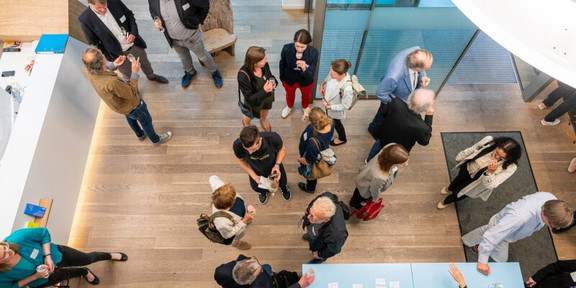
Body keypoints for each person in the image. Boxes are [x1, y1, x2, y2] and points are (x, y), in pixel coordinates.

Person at [461, 192, 573, 275]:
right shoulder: (519, 218)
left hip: (505, 224)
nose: (554, 228)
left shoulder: (551, 199)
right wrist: (482, 262)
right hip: (504, 230)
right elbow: (493, 236)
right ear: (545, 214)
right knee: (501, 258)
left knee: (486, 230)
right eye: (552, 225)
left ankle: (467, 240)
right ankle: (475, 246)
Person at [82, 47, 173, 146]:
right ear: (103, 61)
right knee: (146, 122)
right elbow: (131, 93)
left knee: (130, 117)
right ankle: (156, 140)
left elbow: (101, 71)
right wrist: (134, 72)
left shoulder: (86, 71)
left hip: (121, 107)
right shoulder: (112, 82)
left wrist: (113, 65)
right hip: (133, 105)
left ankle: (140, 135)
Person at [0, 227, 127, 288]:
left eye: (5, 247)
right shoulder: (1, 275)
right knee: (67, 274)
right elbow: (12, 287)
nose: (9, 251)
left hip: (57, 255)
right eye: (4, 255)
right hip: (41, 280)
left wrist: (47, 256)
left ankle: (109, 255)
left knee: (87, 259)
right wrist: (35, 277)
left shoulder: (18, 238)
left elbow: (43, 233)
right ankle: (84, 271)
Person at [78, 0, 168, 84]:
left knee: (145, 62)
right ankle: (133, 91)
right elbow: (94, 44)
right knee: (127, 75)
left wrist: (133, 33)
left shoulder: (114, 1)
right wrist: (110, 56)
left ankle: (151, 76)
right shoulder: (85, 20)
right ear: (88, 2)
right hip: (118, 55)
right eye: (99, 8)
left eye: (105, 5)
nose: (103, 10)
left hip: (135, 44)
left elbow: (129, 16)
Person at [148, 0, 223, 88]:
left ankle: (214, 72)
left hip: (191, 36)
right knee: (183, 56)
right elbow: (153, 10)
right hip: (173, 39)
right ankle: (190, 71)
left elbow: (204, 4)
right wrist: (156, 19)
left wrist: (200, 21)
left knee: (203, 56)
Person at [437, 136, 522, 210]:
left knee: (459, 194)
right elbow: (473, 149)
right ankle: (449, 188)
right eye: (496, 152)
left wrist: (490, 173)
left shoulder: (511, 167)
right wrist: (460, 157)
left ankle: (446, 201)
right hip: (468, 168)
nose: (496, 157)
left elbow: (492, 185)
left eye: (502, 157)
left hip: (477, 183)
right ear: (497, 145)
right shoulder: (488, 141)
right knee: (458, 180)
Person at [368, 47, 433, 136]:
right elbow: (381, 93)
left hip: (404, 96)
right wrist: (397, 106)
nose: (425, 71)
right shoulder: (394, 76)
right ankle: (373, 129)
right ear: (416, 67)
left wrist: (422, 76)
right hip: (394, 100)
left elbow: (421, 69)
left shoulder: (416, 51)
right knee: (382, 116)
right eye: (424, 69)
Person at [366, 88, 435, 161]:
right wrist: (429, 118)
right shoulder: (422, 127)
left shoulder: (395, 102)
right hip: (399, 148)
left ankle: (369, 160)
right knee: (391, 161)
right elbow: (424, 141)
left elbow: (383, 113)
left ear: (410, 97)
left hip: (383, 137)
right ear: (425, 109)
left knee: (377, 147)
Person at [232, 125, 291, 205]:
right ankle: (263, 192)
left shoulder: (273, 138)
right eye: (246, 149)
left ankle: (284, 188)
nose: (250, 153)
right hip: (255, 169)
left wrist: (277, 165)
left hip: (274, 166)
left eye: (253, 149)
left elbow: (282, 149)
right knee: (256, 187)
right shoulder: (237, 145)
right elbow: (241, 161)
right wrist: (254, 176)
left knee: (283, 182)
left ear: (260, 140)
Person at [349, 143, 409, 211]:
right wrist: (375, 199)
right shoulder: (380, 177)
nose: (407, 164)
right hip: (365, 189)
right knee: (359, 197)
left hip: (365, 177)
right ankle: (353, 204)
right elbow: (374, 190)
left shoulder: (389, 148)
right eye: (403, 163)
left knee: (357, 193)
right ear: (392, 162)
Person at [279, 29, 318, 121]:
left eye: (302, 47)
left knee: (306, 95)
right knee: (289, 94)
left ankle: (305, 107)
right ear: (294, 41)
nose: (299, 49)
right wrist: (282, 79)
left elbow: (311, 73)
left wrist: (304, 68)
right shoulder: (286, 49)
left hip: (306, 81)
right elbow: (282, 64)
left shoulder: (313, 53)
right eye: (297, 46)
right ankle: (289, 106)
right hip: (289, 78)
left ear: (308, 44)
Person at [209, 175, 255, 250]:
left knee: (245, 220)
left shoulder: (221, 189)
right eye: (234, 198)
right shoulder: (221, 222)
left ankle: (246, 220)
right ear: (228, 205)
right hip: (236, 229)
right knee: (236, 238)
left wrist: (245, 219)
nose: (236, 196)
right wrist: (243, 222)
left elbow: (212, 178)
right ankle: (237, 244)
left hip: (239, 216)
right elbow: (227, 235)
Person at [214, 254, 315, 288]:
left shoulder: (220, 272)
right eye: (260, 271)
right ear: (251, 281)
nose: (252, 260)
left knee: (267, 267)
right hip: (270, 283)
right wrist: (299, 285)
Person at [238, 46, 277, 132]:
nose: (266, 61)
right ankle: (246, 122)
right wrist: (264, 91)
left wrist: (272, 81)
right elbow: (249, 99)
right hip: (254, 102)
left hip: (267, 97)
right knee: (249, 114)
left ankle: (263, 120)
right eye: (263, 60)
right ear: (254, 62)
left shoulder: (264, 65)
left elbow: (269, 75)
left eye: (265, 58)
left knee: (266, 108)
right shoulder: (243, 76)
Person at [301, 192, 348, 264]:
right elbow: (314, 202)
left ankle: (320, 259)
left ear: (326, 220)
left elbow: (333, 250)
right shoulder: (325, 198)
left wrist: (320, 254)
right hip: (317, 231)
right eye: (311, 211)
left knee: (319, 253)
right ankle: (311, 236)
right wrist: (308, 209)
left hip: (321, 242)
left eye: (314, 217)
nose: (308, 217)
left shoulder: (336, 235)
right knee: (312, 233)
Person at [297, 107, 334, 194]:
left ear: (313, 124)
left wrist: (299, 159)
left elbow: (309, 161)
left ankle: (310, 188)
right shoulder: (330, 122)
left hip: (310, 153)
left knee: (311, 176)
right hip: (320, 148)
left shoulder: (313, 143)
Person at [320, 59, 353, 146]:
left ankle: (342, 138)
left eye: (333, 74)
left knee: (336, 123)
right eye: (330, 71)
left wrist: (329, 107)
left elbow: (345, 105)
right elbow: (327, 78)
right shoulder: (334, 71)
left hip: (335, 110)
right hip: (328, 105)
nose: (330, 74)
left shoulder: (347, 89)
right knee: (329, 119)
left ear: (342, 74)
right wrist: (322, 85)